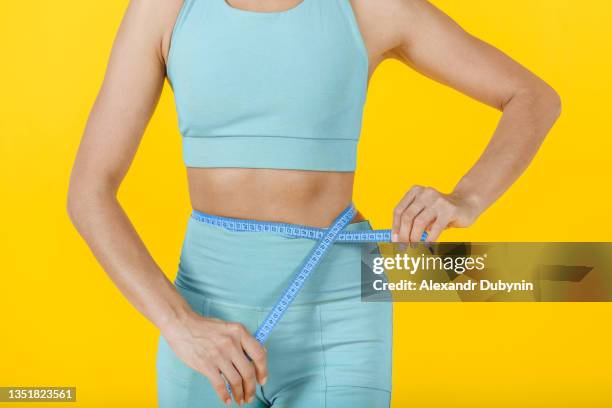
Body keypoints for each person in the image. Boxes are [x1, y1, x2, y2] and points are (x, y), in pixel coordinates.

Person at [67, 0, 561, 406]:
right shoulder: (165, 9)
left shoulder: (369, 8)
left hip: (341, 316)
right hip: (202, 320)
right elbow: (89, 191)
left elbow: (532, 96)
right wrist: (181, 325)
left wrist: (467, 197)